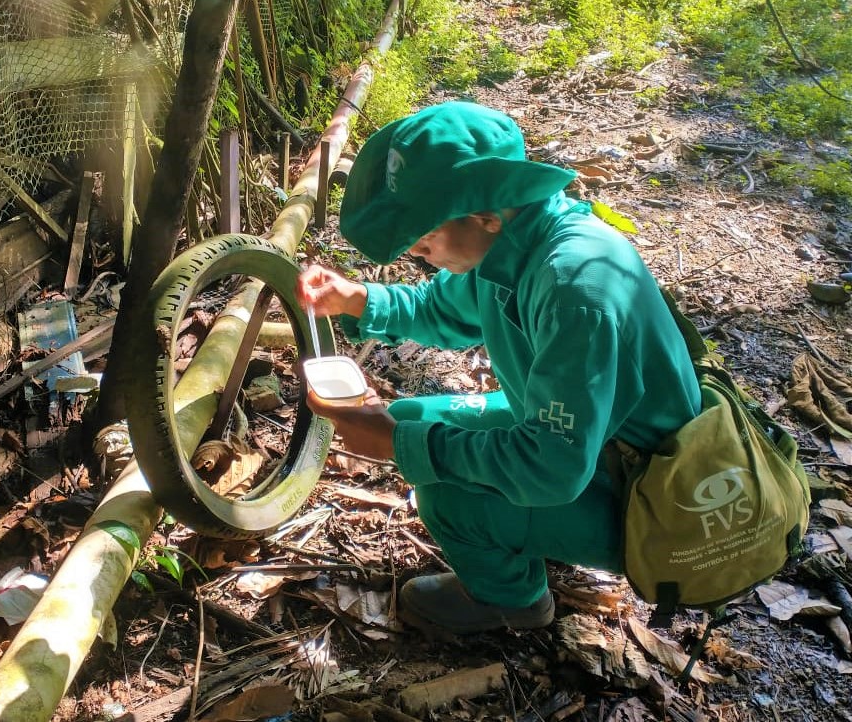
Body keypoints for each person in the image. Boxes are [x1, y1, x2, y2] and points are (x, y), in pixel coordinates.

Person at [296, 101, 701, 634]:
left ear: (484, 213)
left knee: (442, 484)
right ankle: (531, 540)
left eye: (424, 241)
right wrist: (356, 301)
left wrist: (400, 446)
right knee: (416, 415)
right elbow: (441, 309)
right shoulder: (513, 241)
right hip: (593, 446)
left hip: (653, 497)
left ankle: (513, 603)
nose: (420, 257)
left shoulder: (573, 288)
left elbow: (551, 466)